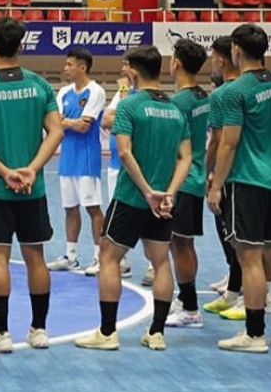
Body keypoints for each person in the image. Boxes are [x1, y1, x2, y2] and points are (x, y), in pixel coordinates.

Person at [76, 45, 192, 351]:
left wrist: (147, 191)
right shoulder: (176, 108)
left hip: (131, 197)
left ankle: (107, 332)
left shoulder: (129, 106)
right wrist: (169, 193)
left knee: (109, 258)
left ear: (135, 72)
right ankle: (156, 333)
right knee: (161, 262)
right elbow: (186, 158)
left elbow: (125, 153)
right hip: (164, 201)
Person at [0, 18, 64, 354]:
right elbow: (57, 132)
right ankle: (39, 330)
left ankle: (1, 334)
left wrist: (6, 172)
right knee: (36, 257)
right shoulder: (40, 86)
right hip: (32, 189)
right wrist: (33, 169)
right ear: (22, 46)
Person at [209, 23, 271, 353]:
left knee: (249, 259)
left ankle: (254, 334)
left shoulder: (234, 92)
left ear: (236, 50)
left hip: (247, 182)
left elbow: (228, 144)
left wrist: (216, 185)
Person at [166, 39, 212, 329]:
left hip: (181, 180)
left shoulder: (179, 102)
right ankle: (185, 298)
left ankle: (191, 307)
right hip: (195, 178)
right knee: (185, 243)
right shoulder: (202, 97)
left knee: (178, 244)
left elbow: (171, 144)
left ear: (177, 63)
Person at [49, 48, 107, 276]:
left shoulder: (96, 91)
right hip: (67, 159)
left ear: (82, 67)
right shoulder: (63, 92)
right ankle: (71, 257)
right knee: (70, 208)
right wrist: (68, 123)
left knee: (93, 208)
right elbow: (55, 122)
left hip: (86, 159)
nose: (65, 68)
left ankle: (99, 257)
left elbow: (86, 125)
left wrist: (66, 122)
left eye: (69, 64)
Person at [202, 36, 246, 317]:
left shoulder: (227, 94)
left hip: (234, 175)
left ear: (221, 59)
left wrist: (210, 175)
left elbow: (220, 142)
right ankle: (233, 290)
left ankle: (255, 298)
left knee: (243, 240)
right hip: (237, 173)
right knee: (232, 236)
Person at [100, 75, 134, 280]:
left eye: (127, 65)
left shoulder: (144, 95)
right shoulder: (122, 93)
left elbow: (118, 119)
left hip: (135, 166)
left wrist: (122, 117)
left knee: (146, 217)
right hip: (115, 166)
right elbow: (106, 120)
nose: (122, 71)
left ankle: (152, 265)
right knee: (115, 216)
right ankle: (122, 261)